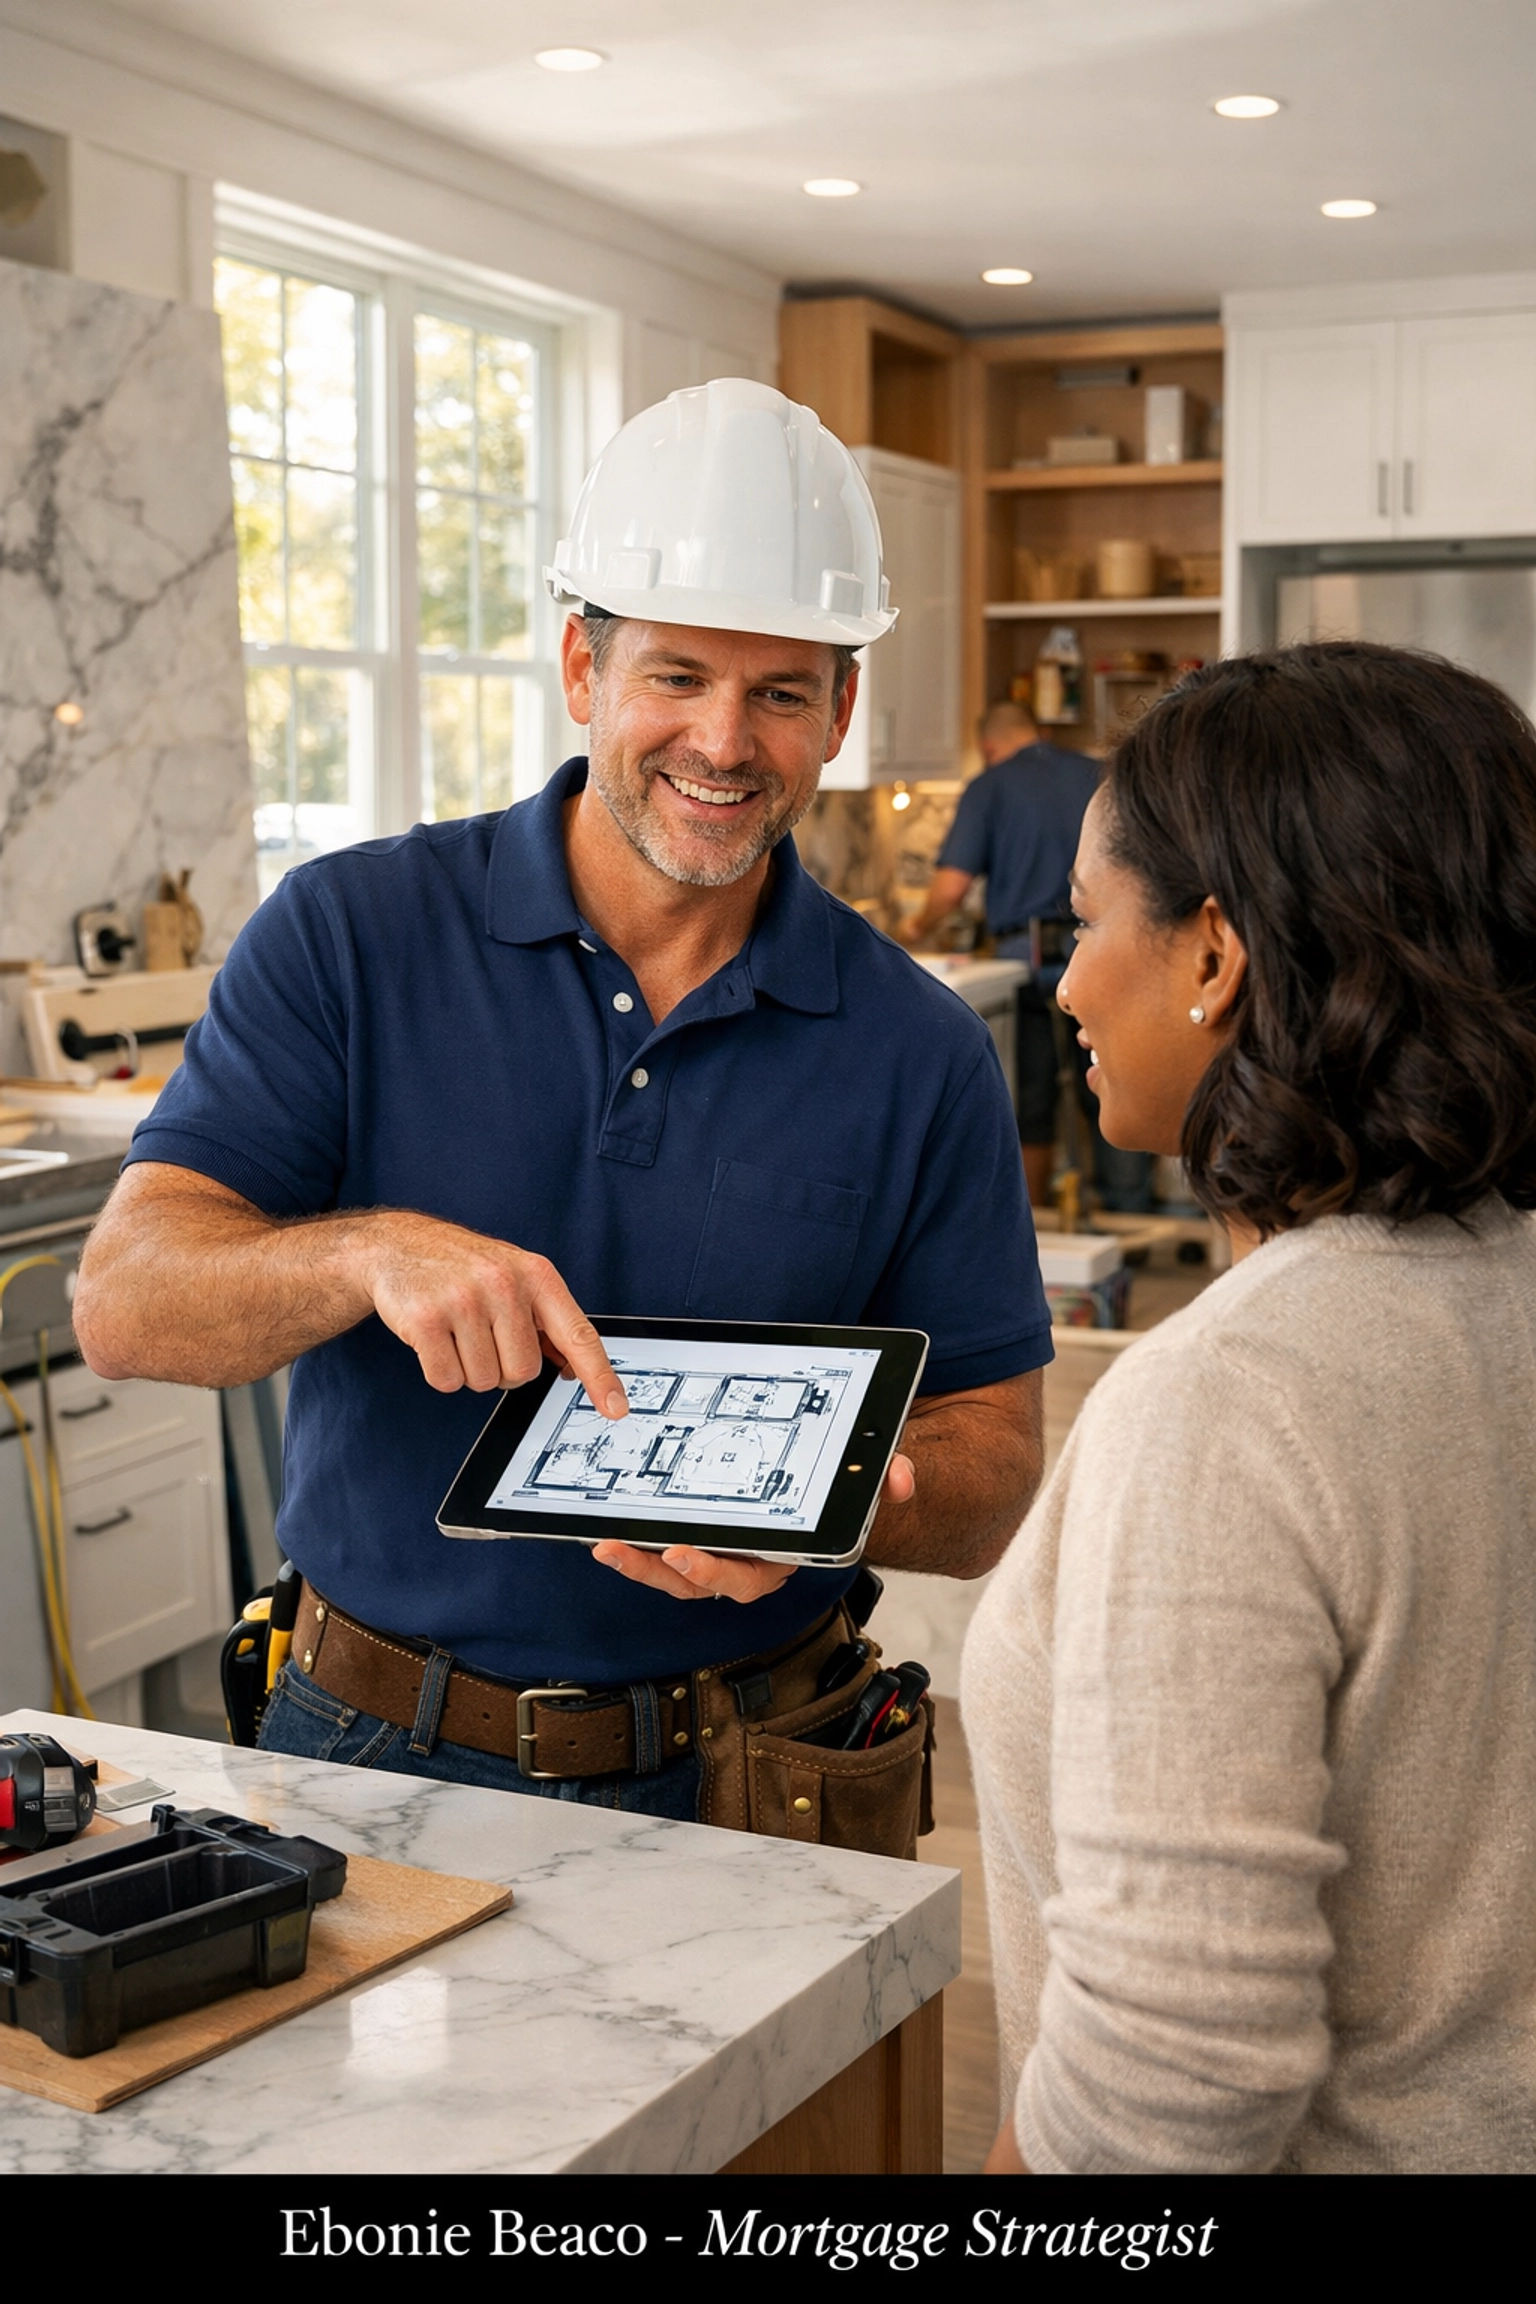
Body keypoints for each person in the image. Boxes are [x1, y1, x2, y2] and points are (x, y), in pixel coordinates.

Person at [73, 378, 1051, 1849]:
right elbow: (125, 1306)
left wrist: (839, 1509)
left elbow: (991, 1472)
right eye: (677, 676)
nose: (724, 742)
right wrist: (363, 1256)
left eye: (781, 691)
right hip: (368, 1744)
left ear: (840, 712)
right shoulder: (349, 933)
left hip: (766, 1761)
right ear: (583, 666)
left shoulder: (919, 1048)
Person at [963, 640, 1536, 2173]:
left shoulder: (1228, 1404)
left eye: (1089, 925)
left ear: (1215, 956)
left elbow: (1175, 2075)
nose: (1068, 979)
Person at [899, 701, 1149, 1214]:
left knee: (1033, 1097)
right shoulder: (1096, 774)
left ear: (990, 746)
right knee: (1114, 1079)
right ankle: (1129, 1216)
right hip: (1106, 951)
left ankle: (1036, 1226)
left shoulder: (989, 787)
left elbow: (951, 887)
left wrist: (917, 926)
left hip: (1029, 961)